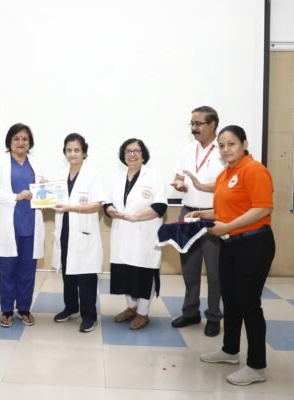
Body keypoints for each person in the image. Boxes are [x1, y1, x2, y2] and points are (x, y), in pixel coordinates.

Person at [191, 125, 275, 386]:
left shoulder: (254, 170)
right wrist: (205, 214)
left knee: (249, 303)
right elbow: (226, 209)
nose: (226, 150)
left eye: (231, 144)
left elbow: (262, 209)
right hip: (229, 245)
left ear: (244, 144)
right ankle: (230, 351)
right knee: (230, 299)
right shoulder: (226, 173)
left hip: (254, 244)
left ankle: (257, 366)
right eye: (222, 145)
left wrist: (227, 227)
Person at [170, 106, 224, 337]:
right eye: (192, 123)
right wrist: (179, 184)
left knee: (215, 272)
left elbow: (228, 184)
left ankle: (213, 316)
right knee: (189, 268)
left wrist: (201, 186)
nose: (194, 128)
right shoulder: (187, 149)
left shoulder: (223, 150)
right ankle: (190, 312)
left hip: (213, 215)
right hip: (188, 213)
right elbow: (178, 177)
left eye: (199, 123)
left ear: (213, 124)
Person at [0, 123, 44, 328]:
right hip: (8, 225)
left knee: (28, 270)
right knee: (8, 270)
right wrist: (15, 197)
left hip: (31, 224)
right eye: (16, 138)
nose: (21, 142)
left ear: (30, 143)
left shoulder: (36, 164)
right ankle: (7, 310)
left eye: (25, 139)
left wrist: (46, 191)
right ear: (9, 141)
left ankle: (24, 309)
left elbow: (43, 190)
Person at [104, 138, 167, 330]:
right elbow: (107, 202)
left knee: (144, 273)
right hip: (122, 234)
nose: (132, 154)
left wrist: (135, 217)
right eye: (128, 151)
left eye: (136, 151)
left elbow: (160, 206)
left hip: (144, 234)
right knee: (125, 271)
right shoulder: (116, 177)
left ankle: (142, 313)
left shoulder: (153, 176)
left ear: (143, 155)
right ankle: (131, 308)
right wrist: (109, 209)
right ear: (123, 155)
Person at [52, 133, 104, 333]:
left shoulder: (93, 175)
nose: (72, 154)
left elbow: (98, 205)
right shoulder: (60, 175)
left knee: (86, 276)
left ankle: (89, 315)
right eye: (69, 150)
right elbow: (53, 199)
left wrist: (72, 208)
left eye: (76, 150)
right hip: (65, 230)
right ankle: (71, 307)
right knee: (68, 273)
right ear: (64, 152)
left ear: (84, 152)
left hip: (84, 232)